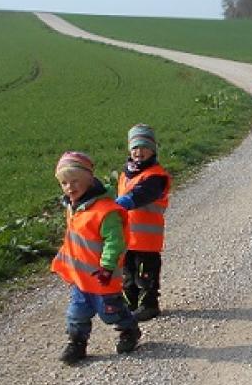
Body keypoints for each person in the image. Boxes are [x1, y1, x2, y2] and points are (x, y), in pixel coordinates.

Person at [51, 151, 140, 364]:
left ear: (89, 181)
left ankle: (129, 329)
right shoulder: (73, 207)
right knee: (76, 314)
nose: (69, 187)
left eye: (75, 181)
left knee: (111, 313)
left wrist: (107, 267)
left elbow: (115, 242)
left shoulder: (106, 211)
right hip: (81, 280)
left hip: (103, 276)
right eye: (64, 183)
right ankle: (77, 344)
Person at [114, 124, 171, 322]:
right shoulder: (126, 173)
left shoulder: (155, 176)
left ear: (152, 150)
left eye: (144, 147)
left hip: (147, 238)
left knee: (146, 274)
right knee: (128, 273)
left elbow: (143, 194)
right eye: (135, 147)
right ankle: (130, 303)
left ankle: (149, 304)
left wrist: (125, 202)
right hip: (127, 237)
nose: (139, 152)